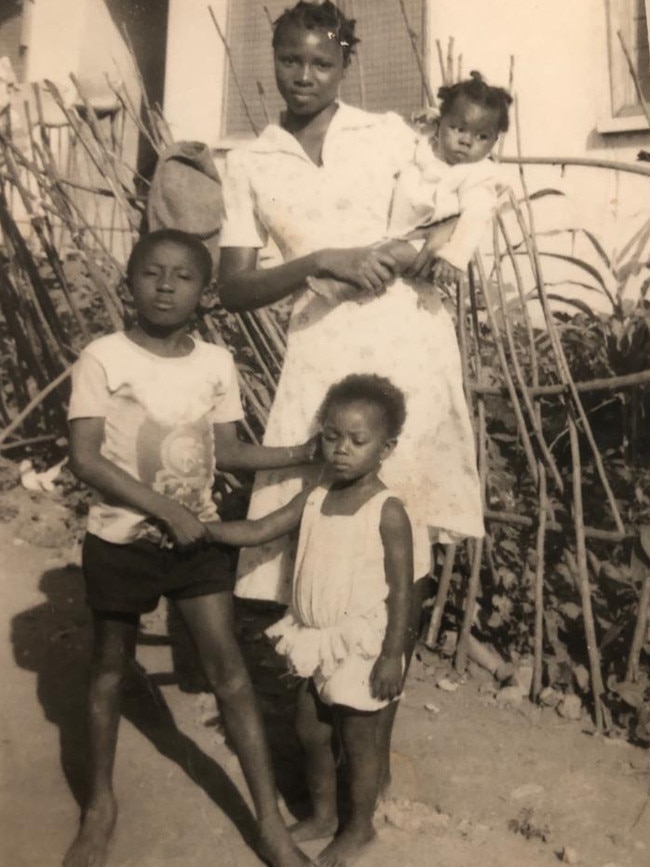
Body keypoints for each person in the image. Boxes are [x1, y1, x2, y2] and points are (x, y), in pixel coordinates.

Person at [218, 0, 484, 810]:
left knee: (388, 548)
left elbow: (458, 197)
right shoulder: (251, 159)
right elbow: (232, 287)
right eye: (290, 62)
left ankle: (367, 764)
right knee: (317, 542)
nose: (304, 78)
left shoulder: (390, 136)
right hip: (322, 357)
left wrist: (406, 253)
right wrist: (319, 261)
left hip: (405, 342)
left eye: (321, 64)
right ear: (273, 61)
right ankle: (326, 767)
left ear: (345, 64)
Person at [64, 228, 316, 867]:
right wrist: (163, 509)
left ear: (207, 295)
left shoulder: (214, 364)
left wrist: (301, 455)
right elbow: (86, 459)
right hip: (121, 540)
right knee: (109, 669)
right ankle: (99, 807)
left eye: (182, 277)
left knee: (230, 673)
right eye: (152, 273)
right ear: (130, 280)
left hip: (197, 537)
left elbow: (225, 450)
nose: (166, 286)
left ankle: (269, 825)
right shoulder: (103, 357)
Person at [204, 374, 416, 867]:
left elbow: (403, 592)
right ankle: (323, 814)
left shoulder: (388, 511)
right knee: (310, 730)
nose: (341, 450)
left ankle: (359, 828)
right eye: (331, 436)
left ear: (386, 448)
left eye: (358, 441)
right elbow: (261, 528)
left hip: (362, 644)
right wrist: (205, 531)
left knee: (359, 742)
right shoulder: (317, 496)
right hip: (313, 636)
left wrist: (392, 656)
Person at [309, 70, 512, 299]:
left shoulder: (479, 175)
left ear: (495, 140)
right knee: (371, 253)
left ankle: (341, 290)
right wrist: (432, 117)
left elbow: (476, 217)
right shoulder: (431, 146)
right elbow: (428, 130)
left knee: (391, 256)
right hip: (401, 229)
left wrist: (454, 258)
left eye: (482, 137)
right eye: (459, 129)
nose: (466, 141)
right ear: (440, 124)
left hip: (428, 243)